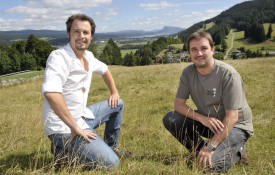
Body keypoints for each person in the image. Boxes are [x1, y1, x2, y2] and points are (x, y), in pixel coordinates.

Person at [42, 14, 130, 170]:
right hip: (63, 127)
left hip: (82, 116)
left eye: (85, 32)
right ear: (68, 33)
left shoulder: (88, 56)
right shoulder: (59, 58)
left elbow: (105, 70)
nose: (81, 36)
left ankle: (111, 146)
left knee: (118, 103)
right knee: (112, 164)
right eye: (76, 31)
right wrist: (75, 128)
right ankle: (64, 155)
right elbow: (51, 93)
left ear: (91, 36)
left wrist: (114, 92)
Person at [163, 30, 253, 173]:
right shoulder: (188, 73)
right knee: (171, 118)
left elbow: (232, 117)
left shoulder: (228, 74)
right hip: (210, 121)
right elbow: (178, 105)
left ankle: (238, 150)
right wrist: (203, 119)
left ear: (212, 50)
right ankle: (201, 152)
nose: (199, 53)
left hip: (235, 126)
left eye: (204, 48)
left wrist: (211, 146)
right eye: (194, 49)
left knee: (210, 167)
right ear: (189, 53)